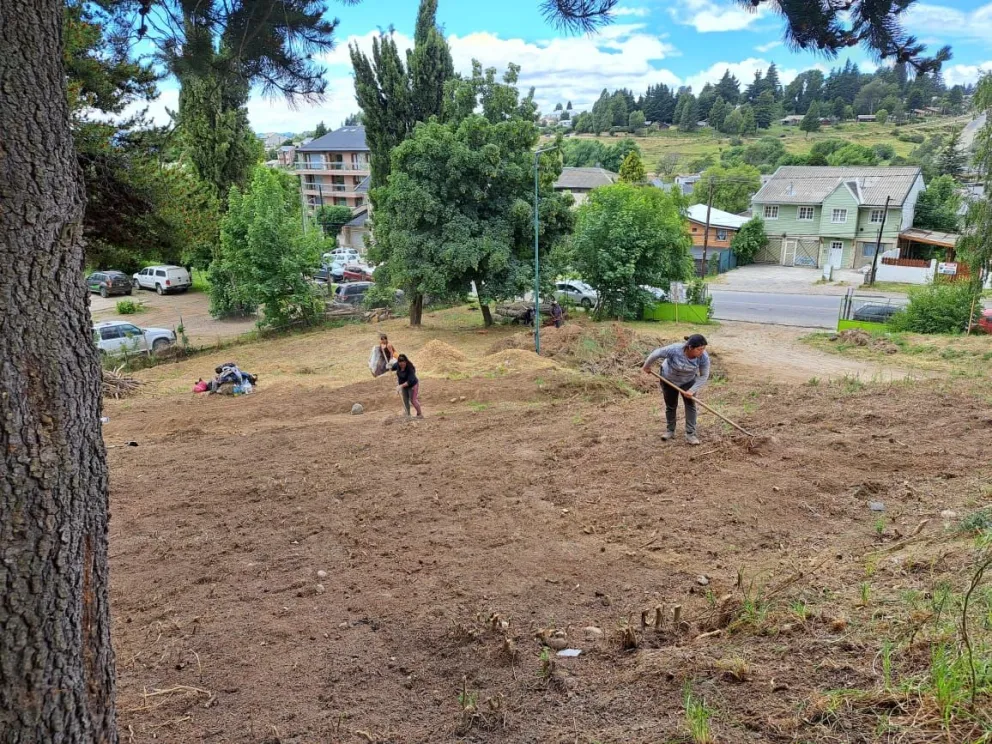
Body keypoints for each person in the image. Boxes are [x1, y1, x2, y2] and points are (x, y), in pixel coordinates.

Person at [642, 334, 710, 446]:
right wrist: (647, 366)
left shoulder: (703, 357)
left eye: (703, 348)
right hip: (668, 379)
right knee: (671, 405)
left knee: (690, 405)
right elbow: (656, 353)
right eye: (699, 349)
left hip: (688, 381)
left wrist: (692, 390)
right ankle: (670, 431)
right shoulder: (675, 349)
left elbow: (704, 375)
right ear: (690, 347)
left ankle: (690, 434)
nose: (702, 352)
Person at [395, 354, 423, 418]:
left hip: (412, 385)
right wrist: (389, 366)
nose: (402, 365)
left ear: (406, 362)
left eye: (403, 363)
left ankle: (420, 414)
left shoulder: (410, 368)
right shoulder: (397, 365)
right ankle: (408, 414)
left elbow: (410, 381)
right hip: (404, 386)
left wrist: (400, 386)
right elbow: (392, 367)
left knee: (413, 400)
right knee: (405, 400)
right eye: (400, 363)